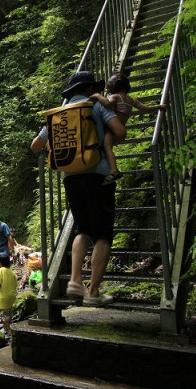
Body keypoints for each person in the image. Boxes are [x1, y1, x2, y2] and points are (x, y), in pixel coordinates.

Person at [31, 70, 125, 307]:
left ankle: (75, 280)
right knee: (102, 233)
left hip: (70, 177)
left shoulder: (59, 114)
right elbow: (120, 132)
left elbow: (35, 146)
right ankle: (93, 291)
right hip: (99, 174)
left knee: (82, 229)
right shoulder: (96, 107)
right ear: (87, 89)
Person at [91, 72, 167, 185]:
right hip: (121, 130)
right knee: (108, 147)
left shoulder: (115, 97)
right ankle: (112, 170)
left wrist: (97, 95)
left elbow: (107, 103)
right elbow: (146, 109)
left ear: (113, 86)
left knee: (106, 147)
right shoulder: (131, 100)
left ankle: (113, 171)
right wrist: (159, 106)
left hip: (113, 129)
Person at [0, 253, 17, 336]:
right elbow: (15, 284)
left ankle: (9, 333)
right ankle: (9, 329)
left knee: (3, 317)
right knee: (9, 316)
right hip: (13, 297)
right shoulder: (12, 272)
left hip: (3, 297)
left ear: (0, 263)